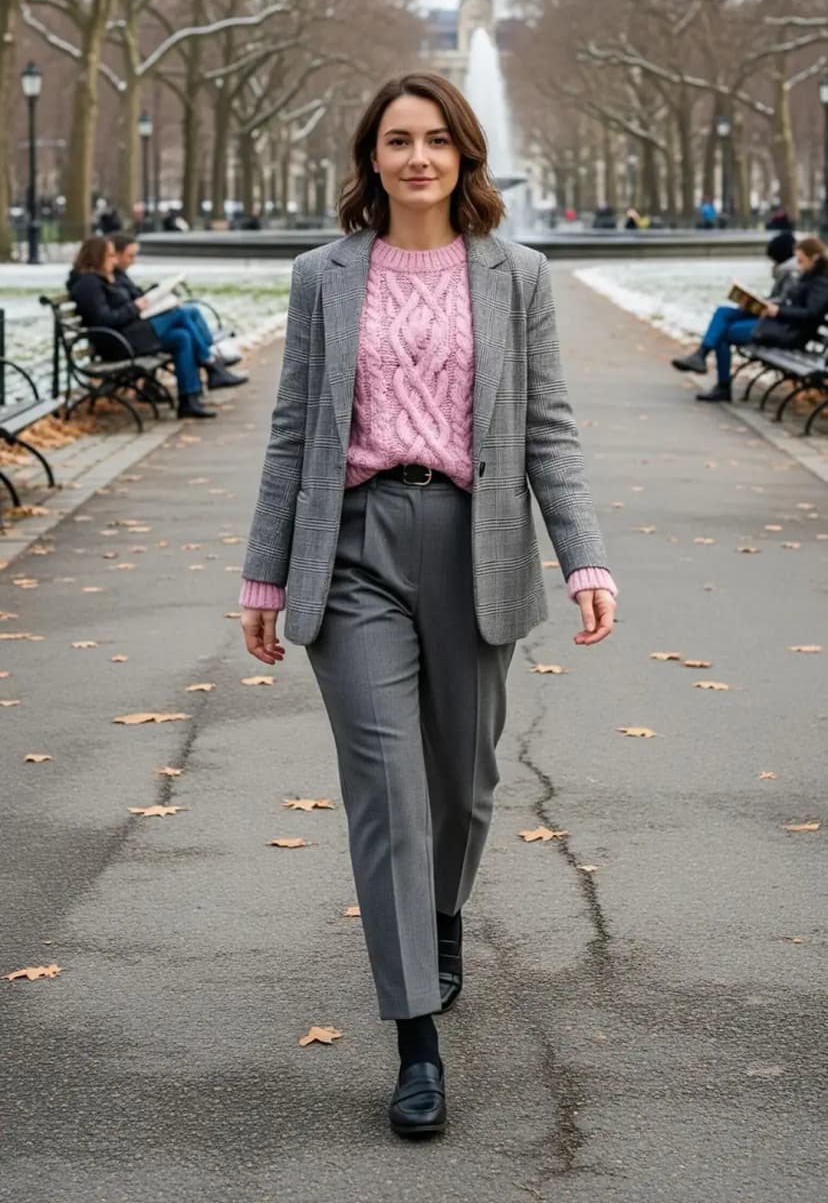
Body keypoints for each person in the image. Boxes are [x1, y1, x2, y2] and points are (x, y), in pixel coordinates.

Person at [238, 73, 617, 1139]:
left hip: (473, 543)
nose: (418, 157)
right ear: (372, 156)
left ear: (464, 156)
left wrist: (585, 558)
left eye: (437, 140)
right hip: (352, 546)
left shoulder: (516, 273)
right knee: (387, 790)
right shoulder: (323, 276)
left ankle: (442, 913)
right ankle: (415, 1036)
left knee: (464, 780)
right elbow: (292, 432)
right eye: (399, 140)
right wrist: (264, 574)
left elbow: (548, 428)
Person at [68, 236, 219, 419]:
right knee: (181, 314)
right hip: (118, 344)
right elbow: (104, 319)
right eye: (110, 256)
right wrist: (135, 307)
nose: (115, 261)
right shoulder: (88, 285)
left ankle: (188, 399)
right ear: (96, 257)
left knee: (182, 337)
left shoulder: (105, 279)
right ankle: (209, 363)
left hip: (131, 335)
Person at [671, 235, 828, 402]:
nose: (797, 264)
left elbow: (812, 314)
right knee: (723, 312)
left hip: (789, 332)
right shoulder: (807, 276)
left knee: (724, 334)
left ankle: (721, 383)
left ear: (814, 258)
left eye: (801, 260)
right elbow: (791, 302)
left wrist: (778, 311)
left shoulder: (821, 282)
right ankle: (701, 356)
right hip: (780, 324)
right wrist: (761, 304)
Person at [110, 232, 246, 378]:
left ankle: (194, 388)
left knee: (183, 334)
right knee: (184, 313)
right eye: (130, 256)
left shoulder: (118, 276)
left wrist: (157, 293)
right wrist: (136, 306)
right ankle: (210, 359)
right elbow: (110, 316)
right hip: (129, 337)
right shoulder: (102, 281)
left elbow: (134, 297)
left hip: (139, 327)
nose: (133, 261)